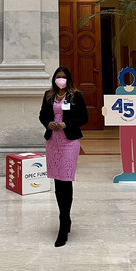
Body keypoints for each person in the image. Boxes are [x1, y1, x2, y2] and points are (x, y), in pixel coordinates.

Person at [39, 66, 88, 247]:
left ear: (68, 79)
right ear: (54, 79)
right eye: (58, 77)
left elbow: (84, 117)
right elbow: (42, 115)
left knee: (66, 179)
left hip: (69, 142)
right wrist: (49, 123)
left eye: (63, 77)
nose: (60, 80)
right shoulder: (48, 95)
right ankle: (65, 220)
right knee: (57, 181)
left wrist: (66, 124)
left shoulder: (76, 95)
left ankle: (63, 221)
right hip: (53, 141)